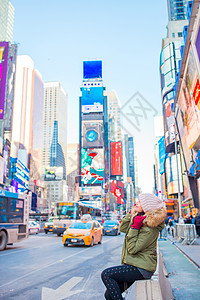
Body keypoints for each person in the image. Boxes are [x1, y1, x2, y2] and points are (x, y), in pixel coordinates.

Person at [101, 193, 167, 300]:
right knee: (108, 295)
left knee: (107, 274)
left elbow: (132, 249)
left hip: (142, 269)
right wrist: (132, 214)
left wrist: (135, 228)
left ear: (147, 208)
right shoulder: (141, 220)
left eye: (140, 202)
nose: (136, 203)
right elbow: (123, 228)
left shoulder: (149, 228)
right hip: (134, 264)